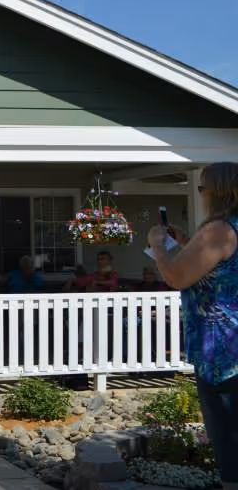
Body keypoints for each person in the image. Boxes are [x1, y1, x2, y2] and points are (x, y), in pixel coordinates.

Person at [148, 162, 238, 488]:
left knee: (228, 441)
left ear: (216, 191)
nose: (200, 195)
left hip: (223, 353)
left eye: (202, 188)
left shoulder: (219, 231)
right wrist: (186, 243)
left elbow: (177, 276)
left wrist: (158, 244)